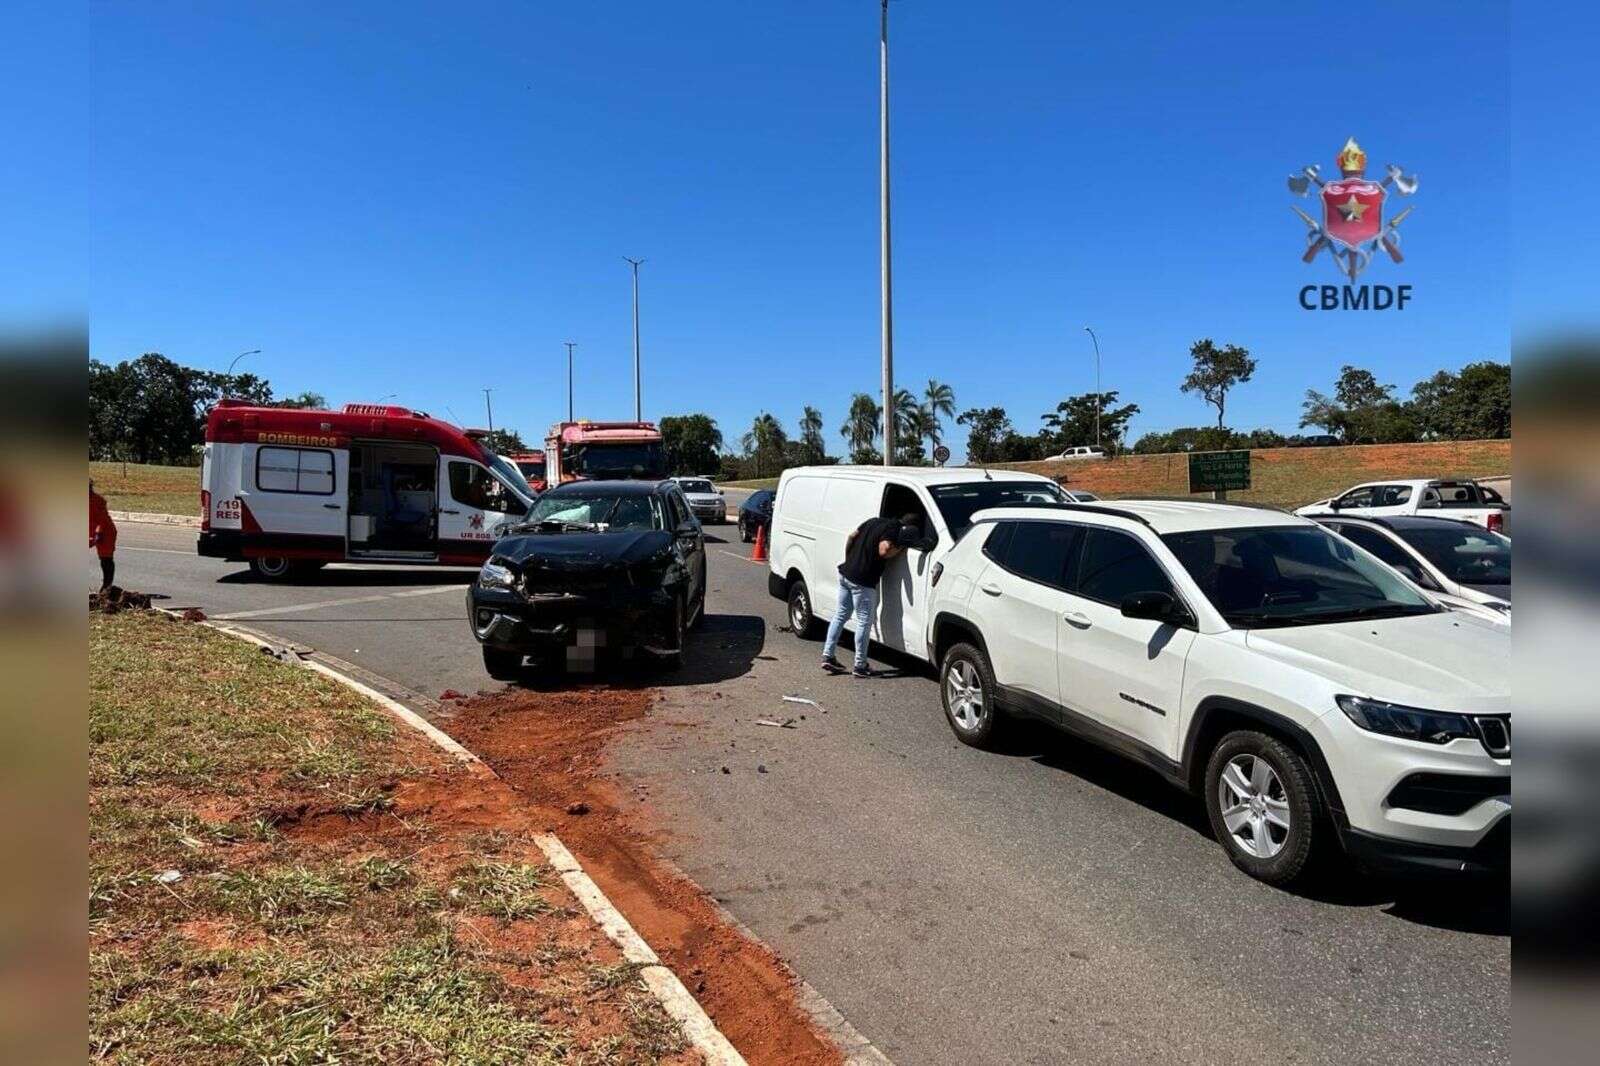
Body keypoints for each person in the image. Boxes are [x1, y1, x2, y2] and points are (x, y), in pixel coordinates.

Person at [822, 512, 925, 677]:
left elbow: (851, 536)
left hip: (846, 573)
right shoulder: (894, 529)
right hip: (863, 581)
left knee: (840, 615)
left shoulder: (873, 521)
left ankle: (828, 655)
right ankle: (860, 665)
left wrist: (849, 558)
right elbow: (884, 550)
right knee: (864, 621)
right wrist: (900, 548)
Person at [90, 481, 118, 591]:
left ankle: (107, 587)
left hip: (105, 532)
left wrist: (97, 535)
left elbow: (102, 521)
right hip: (91, 531)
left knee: (106, 559)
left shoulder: (97, 501)